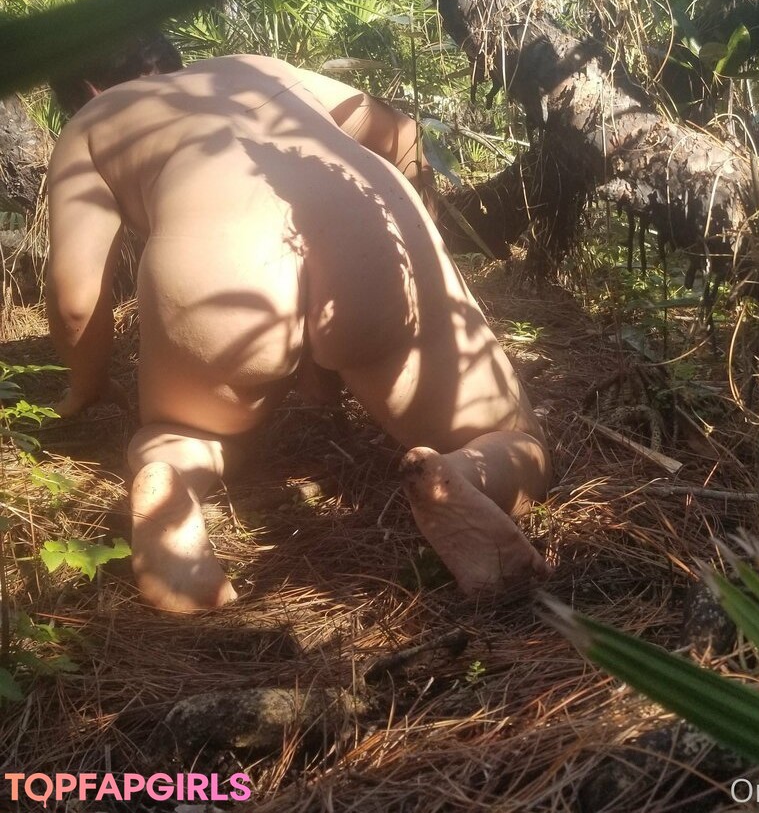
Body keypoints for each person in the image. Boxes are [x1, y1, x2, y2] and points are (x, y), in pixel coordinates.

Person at [46, 35, 552, 612]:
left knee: (183, 435)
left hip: (219, 258)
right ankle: (462, 473)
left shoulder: (92, 122)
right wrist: (420, 240)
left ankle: (173, 479)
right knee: (516, 438)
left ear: (88, 89)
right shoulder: (254, 65)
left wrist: (85, 386)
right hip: (368, 228)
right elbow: (403, 134)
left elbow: (75, 300)